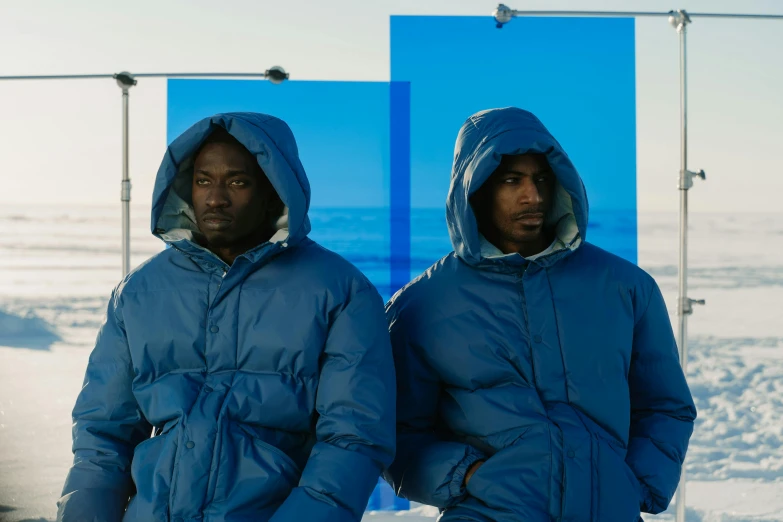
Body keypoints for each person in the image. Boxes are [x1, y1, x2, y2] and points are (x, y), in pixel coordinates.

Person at [57, 113, 396, 522]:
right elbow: (102, 435)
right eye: (203, 181)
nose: (215, 198)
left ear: (274, 189)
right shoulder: (139, 292)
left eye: (237, 182)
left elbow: (354, 438)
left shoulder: (340, 290)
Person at [385, 107, 696, 521]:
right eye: (512, 180)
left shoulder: (625, 288)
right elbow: (396, 436)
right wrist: (468, 476)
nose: (532, 196)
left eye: (542, 179)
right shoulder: (421, 306)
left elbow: (665, 406)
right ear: (475, 189)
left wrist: (635, 484)